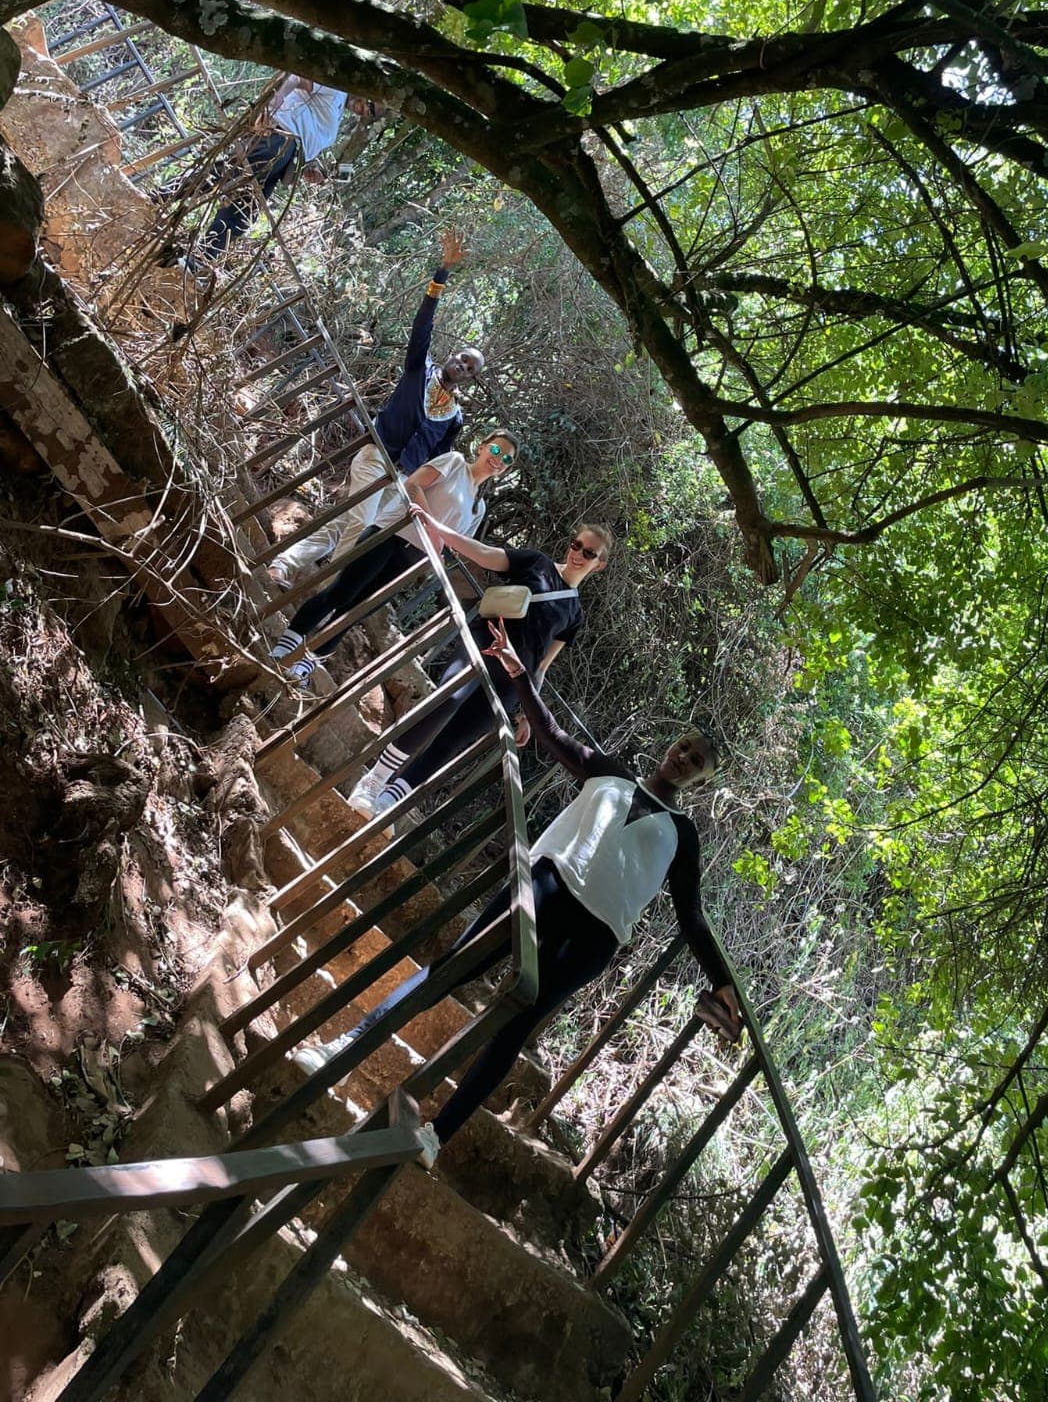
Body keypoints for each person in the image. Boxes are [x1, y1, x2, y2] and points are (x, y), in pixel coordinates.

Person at [295, 618, 742, 1166]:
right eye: (684, 747)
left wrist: (723, 983)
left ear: (700, 779)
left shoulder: (684, 834)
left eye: (696, 762)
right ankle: (345, 1046)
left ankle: (438, 1133)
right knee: (452, 967)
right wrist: (520, 673)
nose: (684, 759)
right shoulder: (611, 771)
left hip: (595, 935)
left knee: (517, 1023)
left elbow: (691, 916)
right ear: (671, 745)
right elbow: (552, 735)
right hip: (547, 884)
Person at [345, 516, 613, 818]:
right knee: (447, 701)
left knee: (455, 738)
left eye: (588, 553)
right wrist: (438, 527)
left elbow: (541, 665)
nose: (578, 554)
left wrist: (529, 713)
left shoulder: (574, 614)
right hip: (483, 643)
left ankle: (389, 800)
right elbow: (486, 555)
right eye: (576, 545)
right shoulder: (537, 563)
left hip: (511, 680)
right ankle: (374, 780)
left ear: (599, 564)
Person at [268, 227, 485, 586]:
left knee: (347, 521)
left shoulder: (454, 418)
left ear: (470, 377)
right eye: (462, 358)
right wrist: (441, 273)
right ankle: (320, 590)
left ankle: (285, 564)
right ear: (452, 354)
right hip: (376, 455)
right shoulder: (421, 369)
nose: (462, 366)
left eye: (469, 368)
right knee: (361, 521)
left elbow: (437, 461)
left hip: (402, 479)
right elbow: (422, 326)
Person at [270, 430, 519, 690]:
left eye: (506, 459)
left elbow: (455, 542)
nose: (498, 459)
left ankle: (303, 665)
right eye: (495, 450)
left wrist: (440, 553)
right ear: (482, 447)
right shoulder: (455, 462)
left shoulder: (478, 507)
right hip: (389, 535)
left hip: (412, 559)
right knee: (341, 593)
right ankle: (285, 646)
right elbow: (413, 484)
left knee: (356, 611)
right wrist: (431, 526)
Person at [196, 75, 371, 260]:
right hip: (279, 138)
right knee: (227, 173)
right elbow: (296, 78)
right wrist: (272, 103)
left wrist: (311, 169)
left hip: (288, 160)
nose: (366, 110)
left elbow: (309, 132)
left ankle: (200, 259)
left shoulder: (337, 115)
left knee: (243, 212)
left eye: (372, 113)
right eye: (371, 103)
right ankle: (167, 195)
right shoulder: (337, 88)